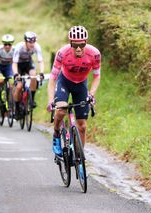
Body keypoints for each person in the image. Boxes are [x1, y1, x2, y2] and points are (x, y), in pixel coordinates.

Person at [47, 26, 101, 159]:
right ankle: (56, 135)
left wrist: (91, 94)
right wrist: (50, 100)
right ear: (70, 43)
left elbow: (97, 76)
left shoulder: (94, 54)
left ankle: (79, 156)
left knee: (82, 125)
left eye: (82, 44)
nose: (78, 48)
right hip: (64, 82)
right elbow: (53, 78)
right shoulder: (62, 53)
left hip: (81, 85)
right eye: (75, 45)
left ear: (85, 43)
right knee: (61, 110)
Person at [12, 31, 44, 118]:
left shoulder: (36, 47)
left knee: (33, 75)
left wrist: (41, 73)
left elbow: (40, 61)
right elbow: (14, 63)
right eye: (30, 42)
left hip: (27, 63)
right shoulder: (19, 47)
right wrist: (15, 74)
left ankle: (31, 100)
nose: (32, 44)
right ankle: (17, 108)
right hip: (18, 64)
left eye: (33, 41)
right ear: (25, 41)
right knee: (19, 86)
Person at [0, 34, 15, 107]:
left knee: (11, 82)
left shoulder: (15, 50)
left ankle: (10, 99)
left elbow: (15, 63)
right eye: (5, 44)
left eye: (9, 44)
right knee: (1, 81)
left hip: (8, 67)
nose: (7, 46)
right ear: (3, 44)